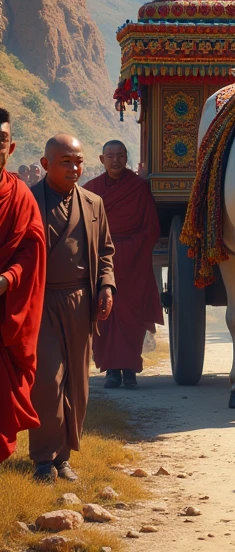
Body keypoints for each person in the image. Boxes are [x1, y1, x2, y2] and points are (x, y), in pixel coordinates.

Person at [29, 135, 115, 482]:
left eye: (78, 161)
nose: (74, 168)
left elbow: (106, 251)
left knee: (77, 384)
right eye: (65, 161)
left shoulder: (94, 203)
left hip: (81, 302)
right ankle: (42, 459)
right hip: (41, 301)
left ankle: (63, 458)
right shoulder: (28, 200)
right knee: (48, 381)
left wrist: (106, 286)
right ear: (45, 163)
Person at [84, 141, 162, 389]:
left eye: (120, 156)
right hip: (101, 262)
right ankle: (110, 371)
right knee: (104, 313)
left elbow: (151, 229)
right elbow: (84, 229)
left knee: (131, 316)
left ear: (127, 158)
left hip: (133, 264)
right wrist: (101, 255)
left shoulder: (139, 188)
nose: (115, 160)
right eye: (110, 156)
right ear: (101, 159)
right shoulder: (90, 190)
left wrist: (128, 252)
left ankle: (129, 370)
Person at [0, 109, 46, 462]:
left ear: (11, 146)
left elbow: (32, 250)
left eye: (1, 140)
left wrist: (7, 279)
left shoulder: (20, 196)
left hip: (6, 304)